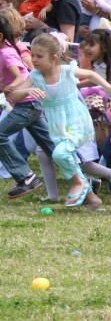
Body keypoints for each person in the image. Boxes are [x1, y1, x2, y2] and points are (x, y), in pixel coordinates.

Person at [8, 33, 111, 210]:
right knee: (65, 158)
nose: (34, 59)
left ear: (53, 58)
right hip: (57, 126)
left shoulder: (66, 71)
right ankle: (92, 199)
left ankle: (78, 184)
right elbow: (14, 94)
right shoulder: (35, 76)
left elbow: (90, 74)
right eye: (32, 55)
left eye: (39, 56)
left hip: (77, 121)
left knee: (60, 155)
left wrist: (108, 87)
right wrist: (28, 91)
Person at [0, 19, 54, 198]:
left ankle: (25, 176)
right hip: (29, 103)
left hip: (27, 103)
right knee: (52, 147)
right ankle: (85, 180)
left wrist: (12, 87)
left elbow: (17, 77)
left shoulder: (6, 53)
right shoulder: (6, 49)